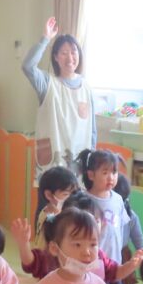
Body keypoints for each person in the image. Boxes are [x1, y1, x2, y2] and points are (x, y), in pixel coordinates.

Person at [12, 191, 143, 284]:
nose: (86, 251)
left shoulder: (98, 257)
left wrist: (131, 265)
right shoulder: (54, 256)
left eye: (92, 244)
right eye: (77, 244)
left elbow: (115, 272)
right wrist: (23, 245)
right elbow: (31, 263)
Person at [22, 16, 96, 175]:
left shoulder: (86, 87)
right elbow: (27, 66)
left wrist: (92, 164)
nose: (70, 57)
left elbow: (92, 131)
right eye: (64, 53)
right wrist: (45, 38)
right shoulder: (47, 83)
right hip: (52, 165)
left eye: (74, 52)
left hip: (80, 166)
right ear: (56, 57)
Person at [80, 149, 142, 284]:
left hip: (114, 260)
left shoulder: (117, 199)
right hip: (94, 262)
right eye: (105, 172)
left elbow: (121, 228)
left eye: (114, 172)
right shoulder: (84, 200)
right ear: (91, 175)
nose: (111, 178)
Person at [33, 165, 81, 243]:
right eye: (65, 194)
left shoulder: (49, 211)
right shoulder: (51, 215)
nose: (70, 198)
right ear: (49, 195)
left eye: (72, 194)